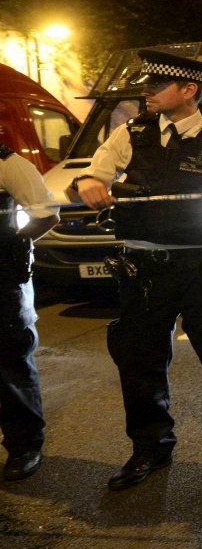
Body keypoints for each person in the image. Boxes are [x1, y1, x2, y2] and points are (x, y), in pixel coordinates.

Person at [65, 50, 202, 491]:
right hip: (142, 268)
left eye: (156, 86)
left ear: (188, 90)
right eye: (146, 85)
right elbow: (91, 178)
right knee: (139, 361)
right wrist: (88, 183)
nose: (146, 92)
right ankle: (150, 447)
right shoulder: (129, 134)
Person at [0, 147, 58, 481]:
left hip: (2, 280)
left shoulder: (10, 164)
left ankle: (24, 446)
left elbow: (47, 214)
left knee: (11, 363)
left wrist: (13, 248)